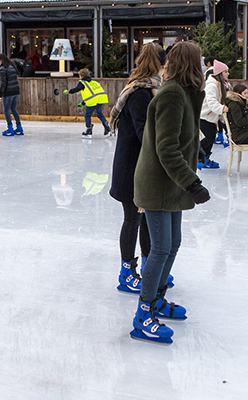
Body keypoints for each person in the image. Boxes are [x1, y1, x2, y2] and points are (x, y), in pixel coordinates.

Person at [130, 41, 210, 344]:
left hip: (171, 182)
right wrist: (192, 182)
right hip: (158, 182)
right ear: (191, 63)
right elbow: (166, 147)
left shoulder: (185, 94)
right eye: (200, 62)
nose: (203, 67)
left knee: (172, 243)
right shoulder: (172, 94)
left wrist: (198, 152)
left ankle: (158, 299)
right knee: (161, 248)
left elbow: (183, 137)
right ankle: (143, 314)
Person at [109, 42, 167, 294]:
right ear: (161, 65)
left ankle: (146, 267)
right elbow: (145, 132)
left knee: (143, 219)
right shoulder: (141, 92)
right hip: (132, 168)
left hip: (140, 166)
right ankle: (126, 271)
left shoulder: (149, 89)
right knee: (133, 219)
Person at [198, 58, 230, 169]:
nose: (228, 74)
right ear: (220, 73)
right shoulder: (211, 85)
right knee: (210, 136)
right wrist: (222, 109)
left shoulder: (222, 85)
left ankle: (204, 157)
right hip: (204, 115)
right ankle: (197, 154)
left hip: (211, 116)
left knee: (212, 136)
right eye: (226, 72)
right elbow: (212, 102)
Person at [63, 68, 110, 138]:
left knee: (87, 115)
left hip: (93, 100)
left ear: (81, 76)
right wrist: (82, 103)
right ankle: (107, 126)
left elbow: (77, 89)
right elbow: (92, 94)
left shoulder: (82, 82)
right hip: (101, 98)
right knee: (99, 113)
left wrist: (68, 91)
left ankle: (89, 130)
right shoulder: (94, 82)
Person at [0, 54, 23, 136]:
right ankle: (19, 127)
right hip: (16, 91)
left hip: (8, 93)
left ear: (0, 60)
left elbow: (3, 83)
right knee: (14, 109)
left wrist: (0, 95)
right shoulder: (12, 67)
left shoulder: (3, 69)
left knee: (6, 110)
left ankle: (10, 128)